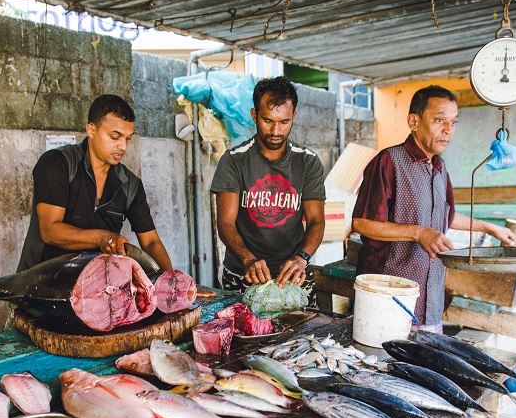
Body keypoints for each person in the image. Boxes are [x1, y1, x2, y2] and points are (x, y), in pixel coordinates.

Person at [351, 84, 516, 418]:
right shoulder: (388, 162)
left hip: (431, 299)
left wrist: (489, 227)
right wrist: (417, 232)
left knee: (431, 392)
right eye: (439, 120)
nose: (448, 130)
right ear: (414, 121)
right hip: (390, 300)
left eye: (453, 122)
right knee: (391, 391)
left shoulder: (439, 169)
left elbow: (445, 219)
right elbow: (363, 223)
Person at [16, 94, 172, 272]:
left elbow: (150, 242)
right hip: (41, 280)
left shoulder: (130, 184)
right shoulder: (58, 163)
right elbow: (50, 230)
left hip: (97, 282)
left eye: (128, 138)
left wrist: (172, 280)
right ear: (91, 130)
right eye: (115, 137)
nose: (123, 146)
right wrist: (102, 237)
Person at [210, 76, 326, 296]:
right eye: (267, 120)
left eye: (284, 122)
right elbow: (225, 222)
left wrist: (301, 259)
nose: (275, 131)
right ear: (254, 115)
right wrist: (248, 259)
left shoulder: (307, 161)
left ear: (294, 116)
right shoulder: (234, 161)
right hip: (242, 274)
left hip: (293, 275)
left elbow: (316, 221)